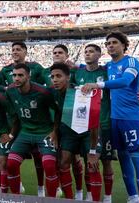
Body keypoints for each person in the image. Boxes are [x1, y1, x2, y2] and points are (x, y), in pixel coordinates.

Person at [82, 31, 139, 203]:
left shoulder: (132, 61)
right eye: (108, 43)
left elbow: (125, 81)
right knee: (123, 157)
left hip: (131, 117)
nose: (110, 45)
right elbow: (87, 69)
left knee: (136, 156)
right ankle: (133, 197)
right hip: (114, 118)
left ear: (124, 45)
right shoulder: (109, 66)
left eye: (114, 42)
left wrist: (98, 85)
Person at [5, 63, 60, 197]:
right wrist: (12, 134)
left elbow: (57, 111)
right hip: (25, 132)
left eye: (20, 75)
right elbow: (15, 115)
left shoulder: (43, 92)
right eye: (14, 75)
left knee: (49, 166)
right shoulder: (10, 91)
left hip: (44, 133)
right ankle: (16, 198)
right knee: (11, 164)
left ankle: (51, 198)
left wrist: (54, 131)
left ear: (28, 76)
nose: (16, 78)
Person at [1, 42, 46, 196]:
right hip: (16, 120)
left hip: (36, 119)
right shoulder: (5, 70)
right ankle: (17, 185)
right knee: (11, 158)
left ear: (25, 52)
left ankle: (41, 187)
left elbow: (50, 79)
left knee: (38, 157)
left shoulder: (36, 67)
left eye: (18, 49)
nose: (15, 52)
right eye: (13, 50)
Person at [73, 44, 115, 202]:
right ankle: (90, 194)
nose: (88, 54)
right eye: (85, 52)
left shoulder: (106, 72)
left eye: (91, 51)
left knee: (107, 161)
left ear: (99, 54)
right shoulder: (78, 73)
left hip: (104, 123)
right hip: (84, 125)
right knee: (89, 161)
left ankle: (108, 197)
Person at [44, 44, 84, 199]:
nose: (57, 54)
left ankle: (79, 191)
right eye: (54, 52)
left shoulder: (74, 71)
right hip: (56, 122)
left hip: (74, 123)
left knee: (75, 158)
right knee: (60, 159)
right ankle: (61, 189)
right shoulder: (48, 72)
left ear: (67, 55)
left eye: (60, 52)